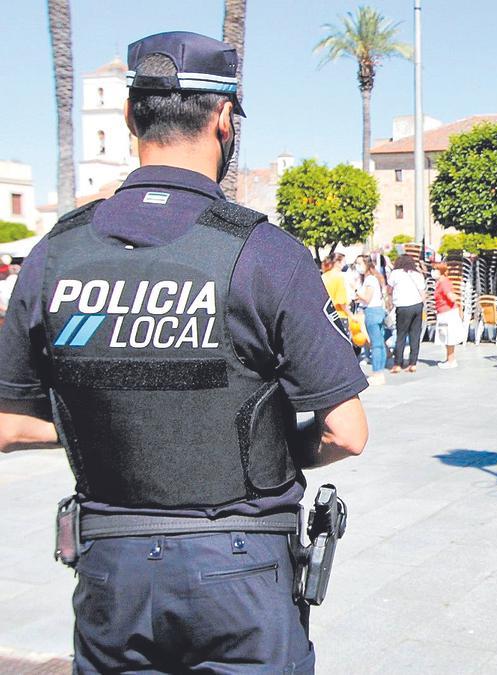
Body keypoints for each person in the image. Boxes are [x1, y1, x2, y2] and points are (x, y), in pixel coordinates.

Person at [0, 32, 369, 673]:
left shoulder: (54, 253)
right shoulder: (265, 252)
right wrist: (268, 446)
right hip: (242, 573)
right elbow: (349, 432)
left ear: (129, 117)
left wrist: (117, 431)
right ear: (224, 119)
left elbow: (6, 425)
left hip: (113, 570)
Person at [388, 254, 427, 373]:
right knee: (415, 335)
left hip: (402, 306)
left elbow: (389, 289)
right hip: (417, 305)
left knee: (401, 335)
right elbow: (422, 291)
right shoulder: (417, 274)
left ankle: (398, 364)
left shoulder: (395, 273)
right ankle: (413, 363)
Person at [355, 255, 388, 385]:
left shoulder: (369, 280)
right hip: (378, 310)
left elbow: (367, 298)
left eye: (359, 263)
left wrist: (357, 291)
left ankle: (377, 373)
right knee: (379, 343)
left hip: (371, 312)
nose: (358, 267)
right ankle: (380, 372)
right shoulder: (374, 278)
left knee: (375, 345)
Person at [432, 261, 464, 369]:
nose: (433, 272)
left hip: (447, 312)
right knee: (446, 336)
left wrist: (455, 299)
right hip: (443, 312)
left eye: (435, 269)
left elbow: (450, 295)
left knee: (449, 336)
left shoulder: (443, 282)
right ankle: (449, 358)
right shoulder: (440, 282)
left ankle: (451, 360)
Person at [321, 252, 350, 332]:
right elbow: (341, 302)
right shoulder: (339, 277)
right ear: (337, 263)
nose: (344, 265)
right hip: (340, 315)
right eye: (344, 262)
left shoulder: (324, 276)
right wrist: (351, 315)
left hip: (328, 315)